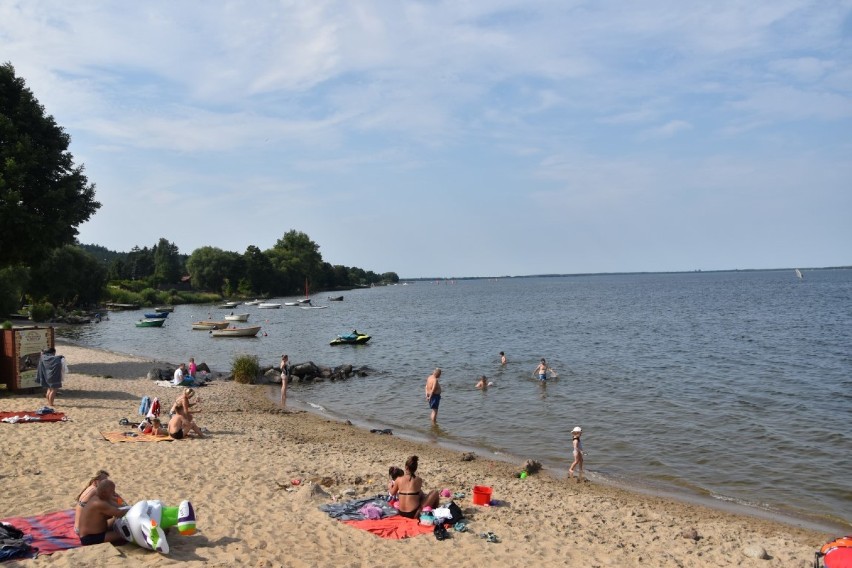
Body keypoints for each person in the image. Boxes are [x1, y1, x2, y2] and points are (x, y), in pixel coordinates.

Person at [76, 479, 128, 545]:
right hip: (90, 537)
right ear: (104, 493)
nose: (114, 493)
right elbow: (119, 513)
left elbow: (117, 500)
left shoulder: (101, 497)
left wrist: (123, 503)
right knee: (124, 534)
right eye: (112, 491)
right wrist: (131, 508)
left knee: (116, 520)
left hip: (101, 530)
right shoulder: (98, 503)